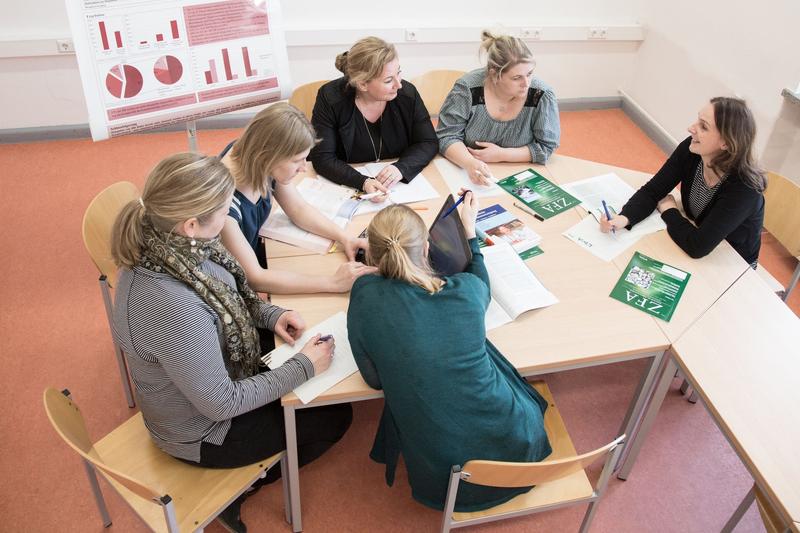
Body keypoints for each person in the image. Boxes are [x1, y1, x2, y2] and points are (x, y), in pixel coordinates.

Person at [111, 153, 352, 532]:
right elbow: (221, 403)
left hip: (209, 373)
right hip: (202, 432)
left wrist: (272, 316)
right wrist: (304, 366)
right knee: (335, 416)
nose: (228, 220)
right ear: (191, 224)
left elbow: (227, 297)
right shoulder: (174, 307)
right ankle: (240, 491)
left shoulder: (169, 246)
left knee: (301, 373)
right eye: (224, 212)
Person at [347, 195, 552, 512]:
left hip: (446, 473)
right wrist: (469, 232)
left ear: (371, 254)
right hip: (519, 445)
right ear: (427, 249)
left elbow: (374, 381)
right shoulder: (466, 291)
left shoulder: (365, 294)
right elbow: (479, 277)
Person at [219, 102, 376, 296]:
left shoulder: (258, 160)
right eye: (296, 161)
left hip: (253, 257)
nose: (303, 168)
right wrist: (331, 283)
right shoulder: (224, 206)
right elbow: (254, 277)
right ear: (267, 155)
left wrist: (345, 238)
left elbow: (299, 209)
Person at [600, 97, 767, 267]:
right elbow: (653, 191)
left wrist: (669, 210)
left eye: (704, 126)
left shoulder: (744, 189)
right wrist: (623, 218)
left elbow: (697, 246)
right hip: (697, 234)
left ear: (726, 143)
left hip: (732, 264)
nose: (691, 128)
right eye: (697, 120)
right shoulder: (692, 149)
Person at [308, 36, 438, 198]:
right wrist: (363, 182)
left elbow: (428, 142)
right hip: (347, 188)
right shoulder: (330, 98)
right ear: (363, 84)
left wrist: (401, 168)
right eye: (389, 80)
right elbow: (322, 157)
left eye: (399, 73)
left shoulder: (407, 95)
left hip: (400, 190)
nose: (399, 84)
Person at [437, 30, 560, 185]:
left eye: (529, 74)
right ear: (494, 74)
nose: (526, 84)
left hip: (522, 172)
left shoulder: (540, 95)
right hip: (467, 172)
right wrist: (470, 164)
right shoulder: (467, 89)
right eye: (516, 78)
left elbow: (546, 147)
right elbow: (447, 136)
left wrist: (502, 154)